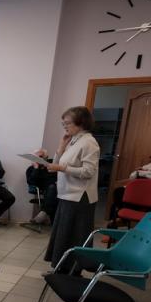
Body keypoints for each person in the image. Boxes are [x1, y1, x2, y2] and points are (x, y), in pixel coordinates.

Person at [44, 106, 100, 269]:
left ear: (81, 122)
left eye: (67, 123)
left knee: (74, 236)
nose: (65, 127)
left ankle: (72, 271)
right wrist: (61, 146)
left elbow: (88, 172)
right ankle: (61, 268)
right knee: (63, 234)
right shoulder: (74, 141)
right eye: (63, 123)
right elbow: (56, 164)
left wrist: (62, 168)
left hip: (80, 196)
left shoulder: (89, 142)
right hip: (68, 194)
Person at [24, 149, 57, 225]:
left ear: (46, 157)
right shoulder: (30, 169)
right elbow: (31, 182)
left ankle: (44, 213)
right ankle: (50, 220)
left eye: (40, 156)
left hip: (57, 189)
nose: (38, 159)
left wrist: (47, 167)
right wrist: (36, 169)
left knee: (54, 190)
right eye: (35, 157)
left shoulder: (51, 165)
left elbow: (56, 177)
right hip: (43, 190)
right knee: (52, 189)